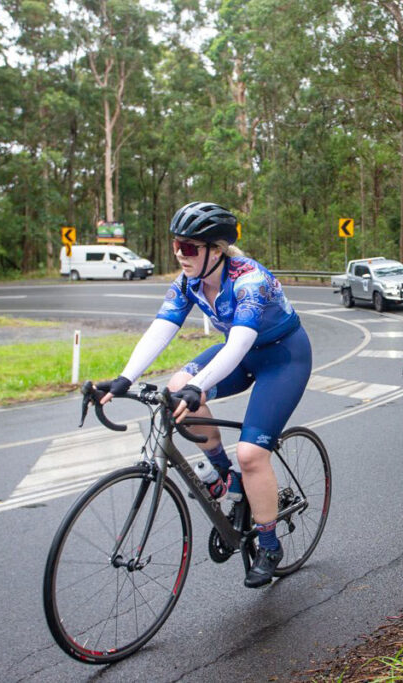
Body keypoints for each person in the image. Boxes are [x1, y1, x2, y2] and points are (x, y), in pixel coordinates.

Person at [98, 201, 311, 589]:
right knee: (175, 389)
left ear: (217, 250)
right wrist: (124, 378)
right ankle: (222, 474)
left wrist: (202, 386)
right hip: (240, 354)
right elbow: (160, 329)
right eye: (177, 245)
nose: (181, 253)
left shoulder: (249, 280)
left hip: (283, 358)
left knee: (251, 455)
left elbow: (240, 343)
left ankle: (269, 544)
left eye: (191, 247)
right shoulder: (187, 282)